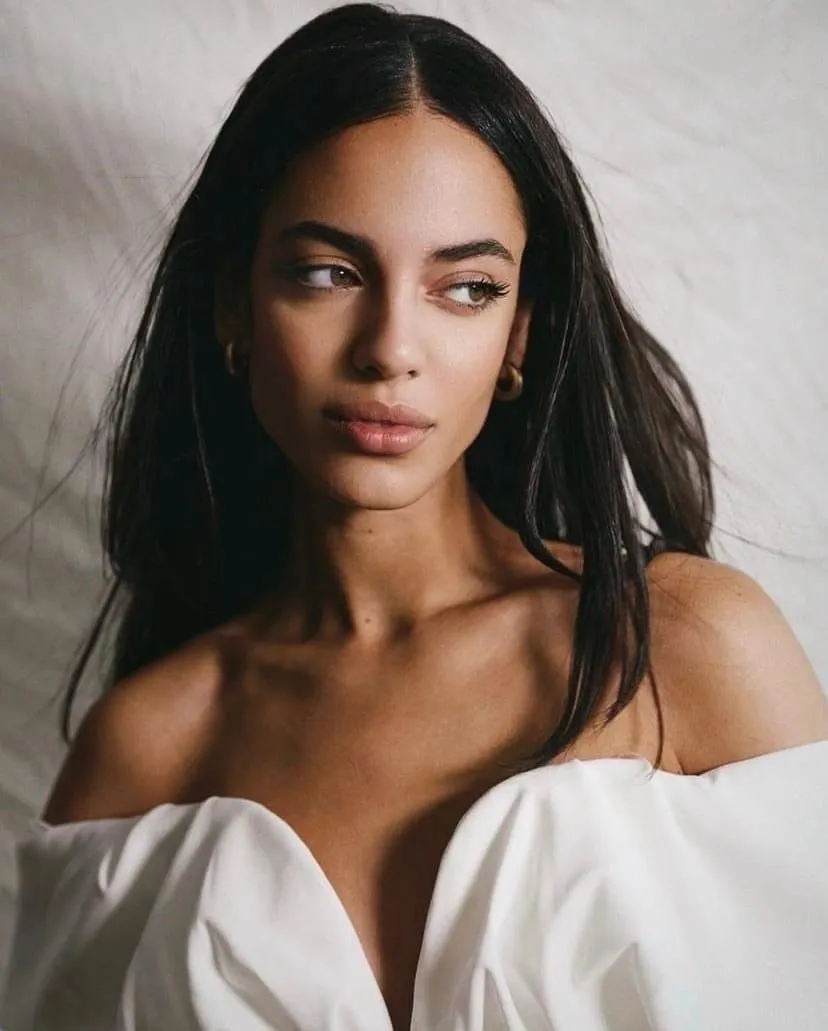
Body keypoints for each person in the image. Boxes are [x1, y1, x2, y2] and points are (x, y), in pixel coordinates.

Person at [2, 3, 827, 1029]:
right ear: (231, 306)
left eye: (467, 288)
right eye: (327, 273)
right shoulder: (143, 752)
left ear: (519, 335)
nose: (391, 348)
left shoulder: (684, 647)